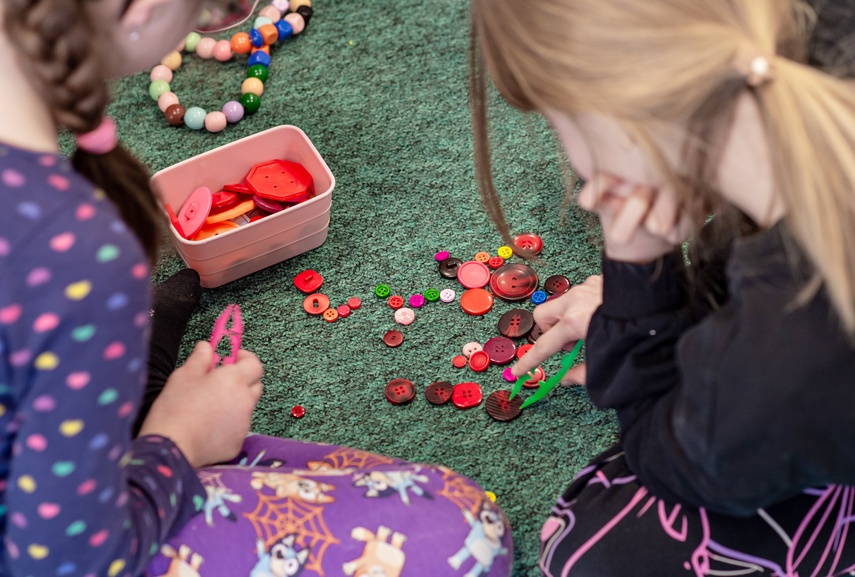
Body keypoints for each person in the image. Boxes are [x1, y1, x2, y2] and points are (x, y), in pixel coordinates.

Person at [0, 0, 513, 576]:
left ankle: (124, 385)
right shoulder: (76, 250)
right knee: (466, 533)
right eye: (216, 4)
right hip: (64, 545)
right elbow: (62, 561)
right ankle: (141, 409)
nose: (237, 10)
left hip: (43, 457)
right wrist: (178, 439)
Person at [470, 0, 855, 575]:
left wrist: (639, 276)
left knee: (587, 554)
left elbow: (667, 455)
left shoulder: (786, 354)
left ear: (619, 116)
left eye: (557, 122)